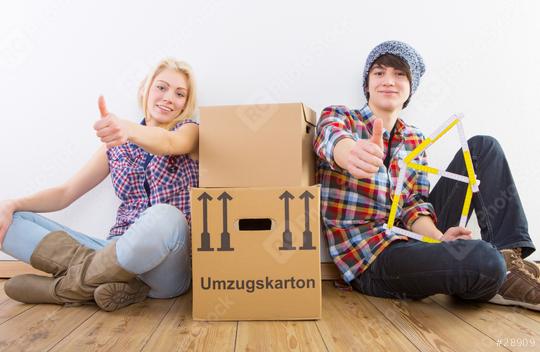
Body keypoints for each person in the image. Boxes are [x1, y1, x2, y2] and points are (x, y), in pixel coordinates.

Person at [314, 40, 540, 311]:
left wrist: (438, 238)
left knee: (482, 147)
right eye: (379, 73)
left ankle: (509, 262)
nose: (388, 81)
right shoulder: (340, 117)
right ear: (367, 84)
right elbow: (331, 138)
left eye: (399, 75)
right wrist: (350, 153)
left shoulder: (414, 138)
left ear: (410, 88)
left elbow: (413, 204)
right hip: (374, 258)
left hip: (414, 237)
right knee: (482, 259)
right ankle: (490, 273)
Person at [0, 58, 199, 311]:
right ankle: (115, 282)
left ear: (186, 103)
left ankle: (64, 289)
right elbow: (66, 193)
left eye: (180, 94)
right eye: (161, 87)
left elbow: (169, 143)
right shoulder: (116, 147)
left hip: (167, 265)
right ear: (145, 90)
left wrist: (127, 129)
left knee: (165, 216)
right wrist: (13, 203)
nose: (169, 97)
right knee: (10, 221)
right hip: (115, 249)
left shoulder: (189, 132)